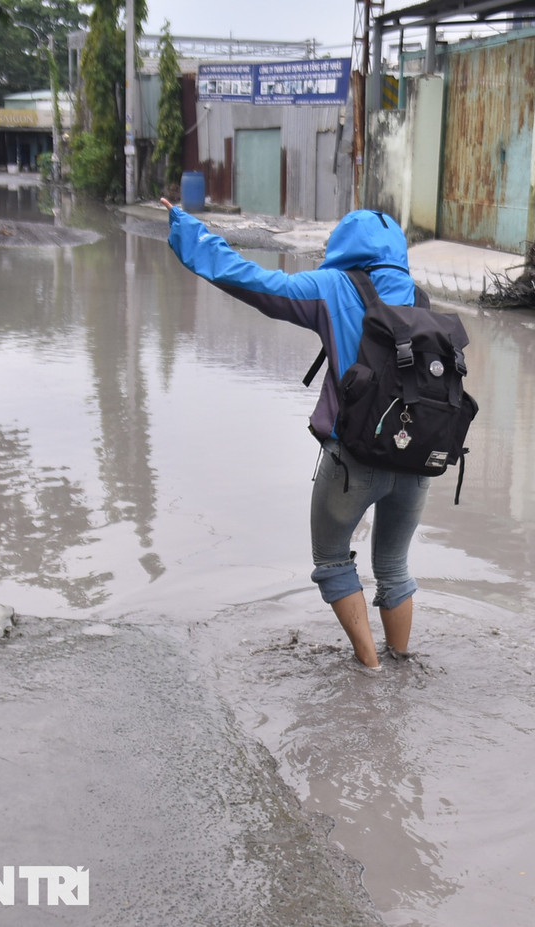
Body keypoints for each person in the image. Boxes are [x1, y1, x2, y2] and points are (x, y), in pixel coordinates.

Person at [162, 199, 428, 669]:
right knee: (392, 566)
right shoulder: (417, 295)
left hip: (354, 462)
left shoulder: (331, 287)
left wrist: (189, 230)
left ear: (343, 244)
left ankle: (369, 669)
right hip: (415, 459)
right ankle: (403, 662)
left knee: (331, 559)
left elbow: (252, 281)